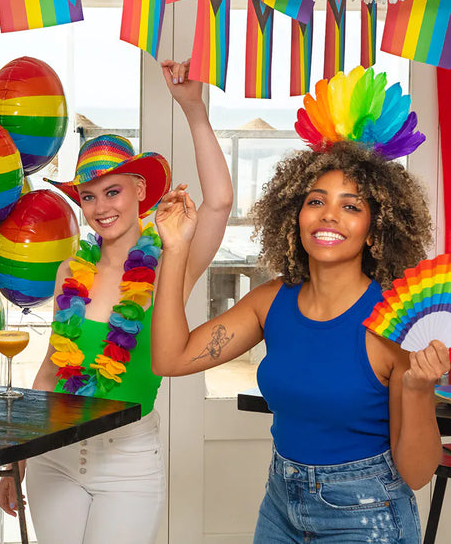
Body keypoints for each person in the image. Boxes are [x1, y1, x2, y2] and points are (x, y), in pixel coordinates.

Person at [151, 66, 450, 543]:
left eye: (351, 206)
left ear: (375, 230)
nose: (330, 214)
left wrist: (417, 389)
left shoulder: (395, 323)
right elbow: (170, 358)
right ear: (295, 214)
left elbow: (416, 475)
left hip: (367, 513)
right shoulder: (271, 303)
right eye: (317, 200)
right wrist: (177, 247)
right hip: (280, 505)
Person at [0, 60, 233, 543]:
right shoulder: (69, 271)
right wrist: (17, 456)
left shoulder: (171, 264)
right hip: (53, 455)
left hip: (127, 460)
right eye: (89, 197)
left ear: (140, 190)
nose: (102, 208)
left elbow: (219, 202)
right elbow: (49, 370)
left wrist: (193, 109)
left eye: (113, 191)